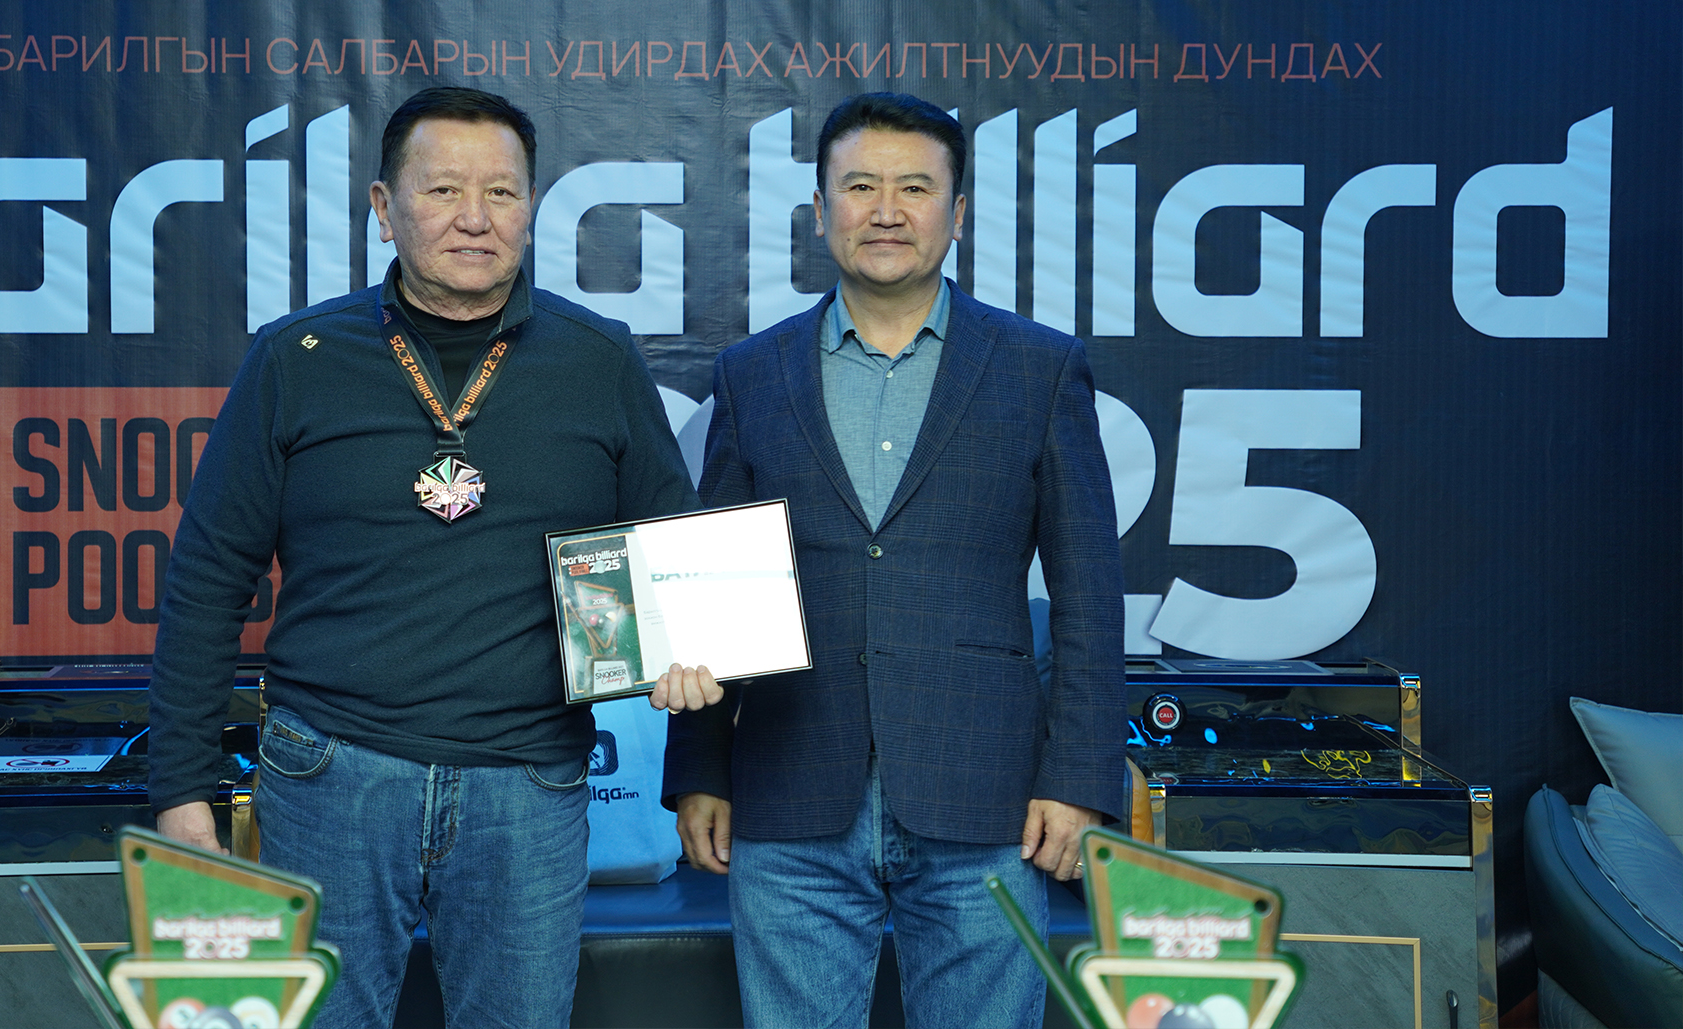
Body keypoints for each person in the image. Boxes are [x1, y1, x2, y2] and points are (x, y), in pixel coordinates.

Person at [148, 86, 708, 1029]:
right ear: (383, 206)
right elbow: (206, 584)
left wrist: (689, 650)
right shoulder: (296, 358)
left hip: (528, 787)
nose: (475, 218)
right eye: (444, 189)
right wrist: (181, 788)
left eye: (502, 192)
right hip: (330, 776)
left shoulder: (598, 360)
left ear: (532, 207)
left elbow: (673, 557)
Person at [658, 92, 1126, 1028]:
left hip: (985, 798)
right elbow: (706, 585)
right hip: (790, 792)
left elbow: (1090, 596)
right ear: (820, 209)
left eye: (915, 188)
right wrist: (700, 768)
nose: (886, 210)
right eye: (860, 186)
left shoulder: (1039, 368)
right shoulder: (752, 371)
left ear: (958, 213)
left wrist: (1079, 780)